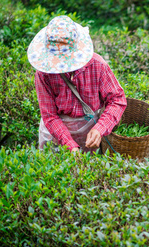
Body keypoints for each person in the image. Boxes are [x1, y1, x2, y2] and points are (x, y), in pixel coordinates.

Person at [27, 15, 127, 153]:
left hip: (89, 129)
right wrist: (69, 144)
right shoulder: (43, 74)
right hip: (55, 132)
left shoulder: (98, 66)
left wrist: (99, 128)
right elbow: (49, 115)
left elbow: (117, 100)